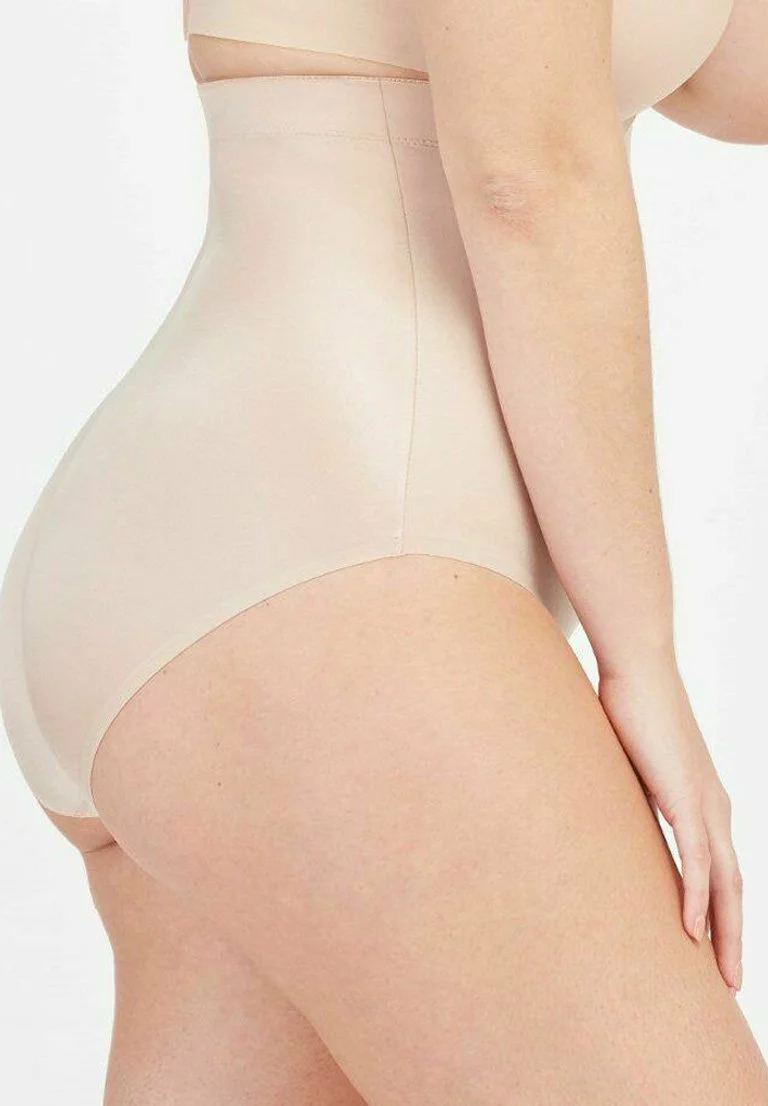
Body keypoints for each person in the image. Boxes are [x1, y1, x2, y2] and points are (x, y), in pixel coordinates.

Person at [1, 0, 767, 1100]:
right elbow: (528, 176)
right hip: (334, 559)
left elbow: (736, 80)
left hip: (265, 559)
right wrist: (640, 656)